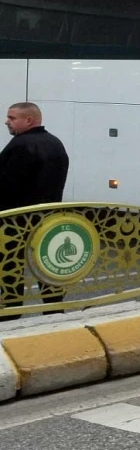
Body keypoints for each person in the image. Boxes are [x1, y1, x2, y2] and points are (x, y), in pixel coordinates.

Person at [0, 102, 71, 320]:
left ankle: (11, 311)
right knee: (47, 265)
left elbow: (7, 186)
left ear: (29, 120)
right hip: (48, 218)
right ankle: (54, 310)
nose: (6, 122)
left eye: (12, 118)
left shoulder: (21, 145)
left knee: (11, 264)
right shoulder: (55, 143)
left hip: (16, 220)